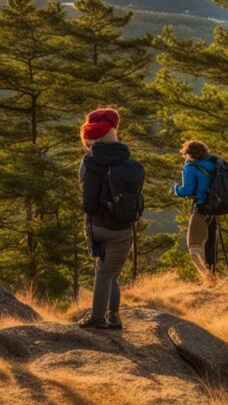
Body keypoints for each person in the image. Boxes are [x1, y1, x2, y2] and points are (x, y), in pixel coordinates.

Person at [78, 108, 138, 330]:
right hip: (122, 229)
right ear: (115, 128)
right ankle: (111, 317)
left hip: (96, 225)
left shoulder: (88, 162)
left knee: (103, 273)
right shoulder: (127, 160)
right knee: (110, 275)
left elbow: (86, 195)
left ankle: (99, 319)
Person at [172, 140, 219, 281]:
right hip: (214, 209)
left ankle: (208, 278)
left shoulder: (191, 167)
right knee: (209, 244)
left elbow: (188, 190)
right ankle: (213, 276)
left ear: (189, 154)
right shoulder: (213, 166)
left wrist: (175, 188)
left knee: (194, 245)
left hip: (201, 208)